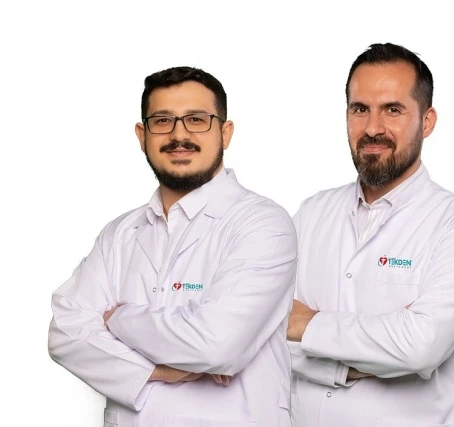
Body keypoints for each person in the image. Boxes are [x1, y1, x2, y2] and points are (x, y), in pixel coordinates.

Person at [48, 66, 297, 427]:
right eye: (163, 121)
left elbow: (216, 344)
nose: (179, 135)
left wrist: (117, 319)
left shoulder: (262, 223)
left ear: (225, 133)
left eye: (196, 119)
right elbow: (64, 331)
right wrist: (154, 371)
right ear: (142, 135)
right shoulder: (120, 233)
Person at [286, 43, 454, 427]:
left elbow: (421, 347)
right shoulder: (311, 214)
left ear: (427, 122)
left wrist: (305, 324)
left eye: (392, 110)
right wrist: (374, 352)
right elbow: (262, 340)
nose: (372, 128)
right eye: (360, 109)